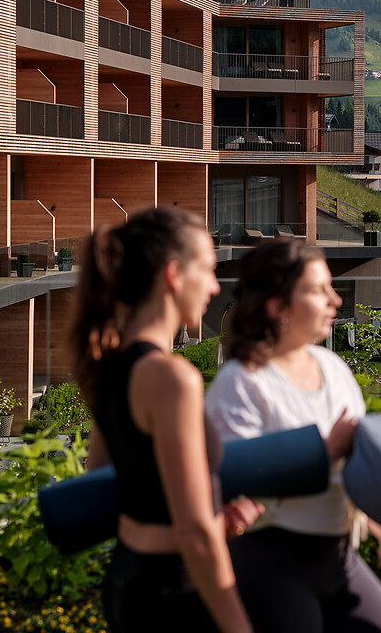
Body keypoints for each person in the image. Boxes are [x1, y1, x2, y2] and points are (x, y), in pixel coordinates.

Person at [205, 237, 381, 633]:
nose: (335, 300)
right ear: (277, 306)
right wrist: (326, 450)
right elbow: (235, 486)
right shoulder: (240, 384)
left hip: (340, 555)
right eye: (318, 290)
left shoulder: (333, 367)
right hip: (273, 561)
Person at [73, 207, 256, 633]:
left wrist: (211, 516)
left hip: (127, 579)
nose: (215, 286)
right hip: (171, 591)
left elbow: (101, 477)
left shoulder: (109, 361)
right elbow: (194, 532)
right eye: (208, 270)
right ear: (173, 275)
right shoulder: (172, 378)